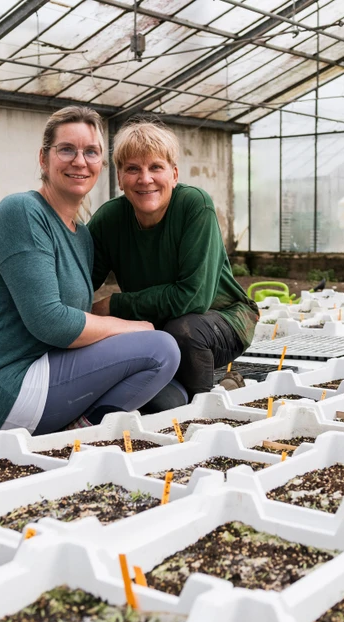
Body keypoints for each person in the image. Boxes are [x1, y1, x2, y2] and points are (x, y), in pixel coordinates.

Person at [0, 107, 180, 435]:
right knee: (161, 350)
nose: (79, 161)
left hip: (48, 369)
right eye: (66, 149)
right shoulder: (22, 212)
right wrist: (128, 326)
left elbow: (75, 319)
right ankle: (81, 433)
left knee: (174, 397)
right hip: (6, 385)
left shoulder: (82, 236)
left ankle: (80, 425)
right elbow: (52, 323)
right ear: (43, 159)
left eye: (91, 152)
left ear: (102, 165)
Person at [89, 119, 258, 410]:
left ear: (174, 174)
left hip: (222, 319)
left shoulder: (194, 206)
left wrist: (113, 306)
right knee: (161, 397)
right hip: (157, 327)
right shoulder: (110, 220)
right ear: (119, 177)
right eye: (133, 168)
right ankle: (208, 389)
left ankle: (205, 410)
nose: (145, 179)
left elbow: (193, 297)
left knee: (183, 331)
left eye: (156, 167)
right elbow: (80, 281)